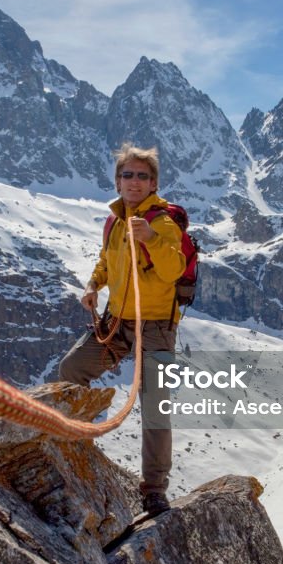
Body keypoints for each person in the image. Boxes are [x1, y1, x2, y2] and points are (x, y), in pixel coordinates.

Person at [58, 143, 185, 515]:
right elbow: (106, 261)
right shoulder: (114, 221)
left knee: (155, 407)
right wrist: (93, 286)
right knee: (72, 369)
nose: (134, 181)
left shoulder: (162, 222)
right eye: (127, 174)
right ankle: (76, 444)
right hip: (117, 321)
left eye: (142, 176)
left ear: (153, 183)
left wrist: (151, 239)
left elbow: (174, 269)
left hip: (156, 326)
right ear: (117, 181)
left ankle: (154, 489)